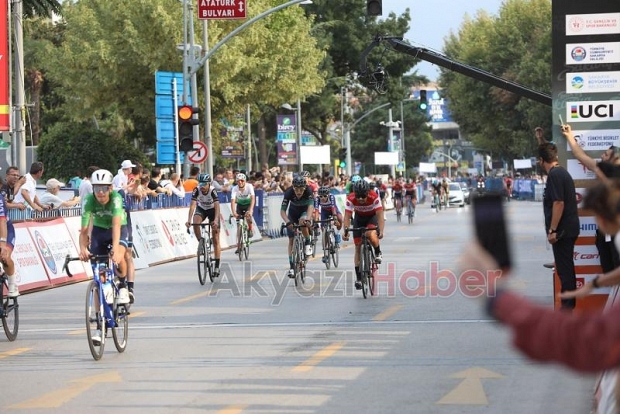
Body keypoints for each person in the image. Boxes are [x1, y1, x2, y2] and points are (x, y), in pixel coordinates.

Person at [561, 123, 620, 273]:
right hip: (604, 230)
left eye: (606, 154)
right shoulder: (601, 169)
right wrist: (569, 136)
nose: (602, 156)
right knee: (607, 265)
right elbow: (580, 156)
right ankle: (614, 294)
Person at [79, 169, 131, 312]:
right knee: (99, 277)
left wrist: (115, 248)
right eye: (97, 188)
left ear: (110, 188)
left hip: (118, 228)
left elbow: (116, 226)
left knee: (119, 256)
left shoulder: (116, 198)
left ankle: (122, 285)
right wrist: (82, 249)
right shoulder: (88, 200)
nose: (100, 192)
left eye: (104, 188)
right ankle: (99, 319)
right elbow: (83, 229)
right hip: (99, 230)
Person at [538, 142, 580, 310]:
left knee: (565, 272)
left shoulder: (555, 175)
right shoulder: (561, 172)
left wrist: (553, 230)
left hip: (562, 232)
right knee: (565, 270)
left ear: (541, 160)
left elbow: (558, 203)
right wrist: (540, 139)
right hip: (568, 230)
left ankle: (567, 311)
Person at [342, 180, 384, 290]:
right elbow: (347, 216)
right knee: (357, 247)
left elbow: (380, 215)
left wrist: (381, 230)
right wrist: (345, 231)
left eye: (363, 196)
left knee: (370, 234)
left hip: (371, 217)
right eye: (358, 196)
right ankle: (359, 278)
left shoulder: (374, 196)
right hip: (359, 219)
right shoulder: (351, 198)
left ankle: (378, 251)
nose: (360, 199)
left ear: (368, 193)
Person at [185, 173, 221, 278]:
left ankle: (217, 266)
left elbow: (217, 207)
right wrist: (188, 220)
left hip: (213, 210)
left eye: (204, 184)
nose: (202, 186)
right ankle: (201, 243)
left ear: (209, 184)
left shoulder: (212, 190)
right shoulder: (197, 190)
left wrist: (215, 220)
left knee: (215, 238)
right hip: (202, 209)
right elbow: (192, 205)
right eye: (200, 183)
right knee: (196, 222)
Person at [280, 176, 314, 278]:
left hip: (304, 211)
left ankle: (308, 241)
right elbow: (282, 211)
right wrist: (287, 222)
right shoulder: (289, 192)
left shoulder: (309, 190)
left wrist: (308, 219)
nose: (299, 192)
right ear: (293, 188)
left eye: (301, 189)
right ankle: (292, 267)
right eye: (296, 189)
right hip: (293, 213)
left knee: (302, 222)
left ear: (305, 188)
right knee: (291, 240)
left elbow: (311, 206)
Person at [314, 186, 343, 263]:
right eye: (321, 196)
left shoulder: (331, 197)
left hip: (333, 211)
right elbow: (316, 210)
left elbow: (333, 208)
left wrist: (335, 219)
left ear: (328, 195)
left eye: (324, 196)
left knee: (340, 219)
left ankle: (337, 233)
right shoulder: (317, 199)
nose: (322, 198)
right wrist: (316, 220)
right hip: (324, 212)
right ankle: (325, 253)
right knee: (325, 231)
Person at [0, 184, 19, 297]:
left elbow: (2, 222)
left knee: (5, 257)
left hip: (5, 229)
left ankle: (12, 284)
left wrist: (2, 244)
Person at [230, 173, 256, 253]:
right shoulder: (235, 188)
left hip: (248, 205)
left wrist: (251, 210)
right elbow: (233, 201)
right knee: (239, 227)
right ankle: (239, 246)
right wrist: (234, 212)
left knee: (248, 216)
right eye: (238, 181)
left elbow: (253, 198)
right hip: (240, 206)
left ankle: (250, 228)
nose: (240, 182)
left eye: (242, 181)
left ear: (245, 181)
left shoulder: (249, 186)